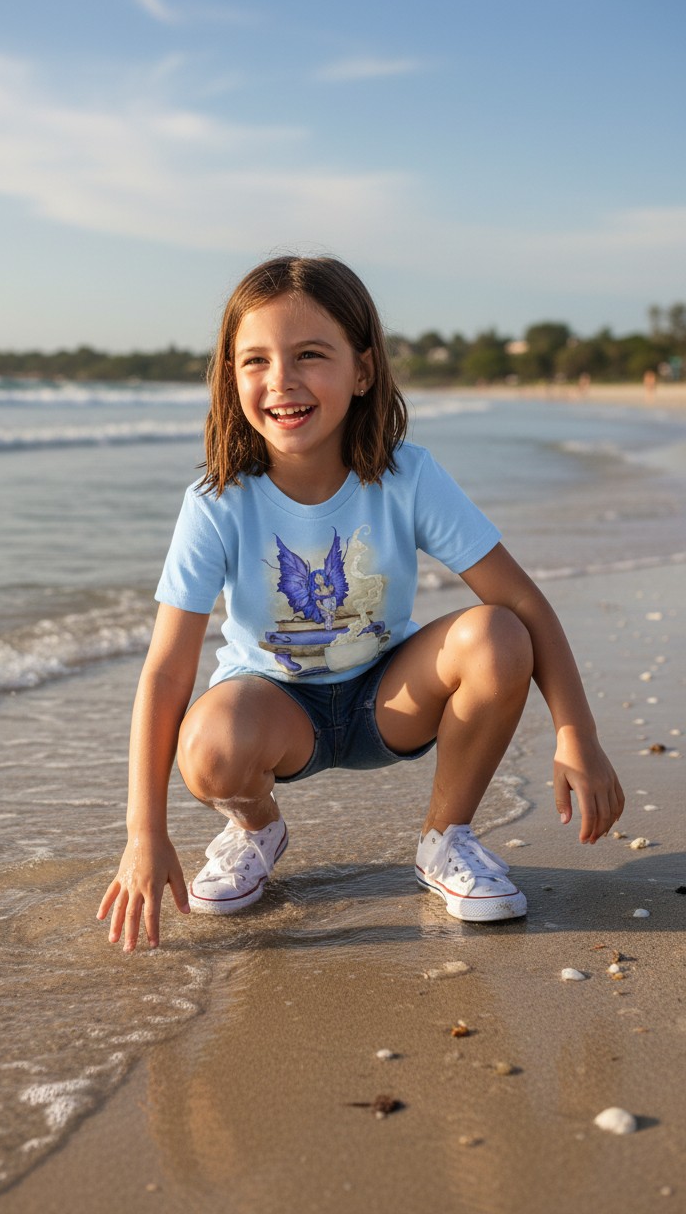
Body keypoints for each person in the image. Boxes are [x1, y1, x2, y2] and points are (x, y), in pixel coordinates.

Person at [97, 256, 624, 952]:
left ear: (363, 370)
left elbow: (523, 600)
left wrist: (576, 734)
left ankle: (447, 839)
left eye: (310, 355)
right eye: (254, 359)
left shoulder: (406, 477)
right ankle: (256, 829)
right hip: (276, 710)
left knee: (498, 634)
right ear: (231, 376)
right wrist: (145, 834)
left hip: (389, 699)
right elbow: (166, 672)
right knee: (211, 744)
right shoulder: (218, 502)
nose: (281, 380)